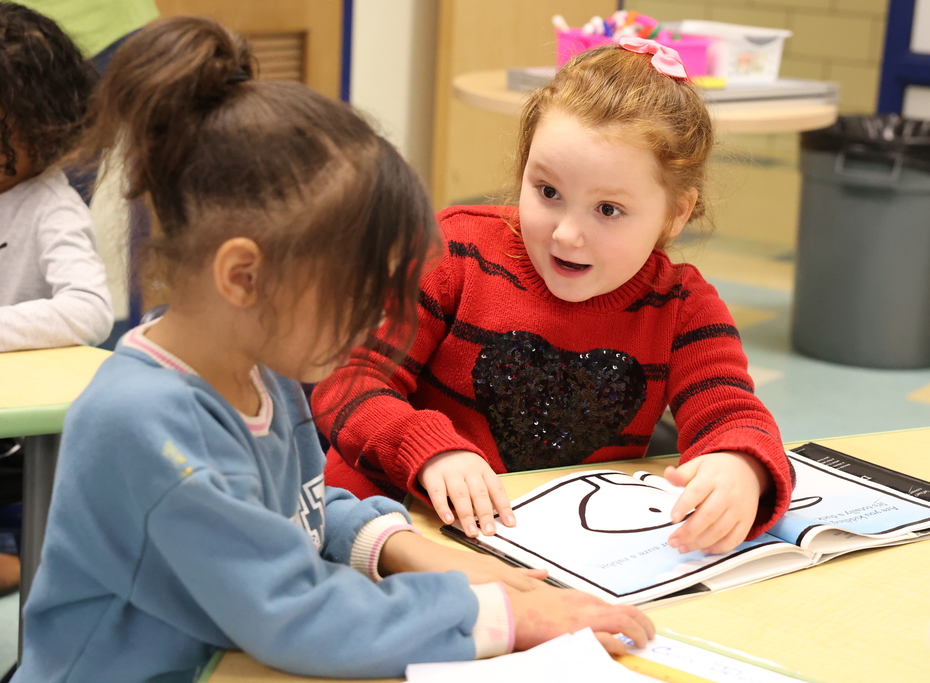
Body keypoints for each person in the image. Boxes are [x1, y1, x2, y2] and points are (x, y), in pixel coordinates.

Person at [13, 17, 653, 683]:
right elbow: (295, 611)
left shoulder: (261, 369)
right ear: (244, 276)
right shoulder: (144, 425)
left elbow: (301, 514)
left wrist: (416, 552)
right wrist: (500, 617)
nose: (380, 321)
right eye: (360, 294)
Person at [312, 38, 796, 556]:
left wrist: (741, 466)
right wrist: (428, 451)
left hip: (556, 549)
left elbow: (734, 414)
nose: (566, 234)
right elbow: (346, 381)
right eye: (547, 192)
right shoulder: (450, 254)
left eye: (607, 210)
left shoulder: (683, 307)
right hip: (392, 523)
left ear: (676, 213)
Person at [0, 2, 115, 600]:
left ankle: (27, 563)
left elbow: (89, 310)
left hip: (19, 440)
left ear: (44, 129)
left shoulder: (50, 207)